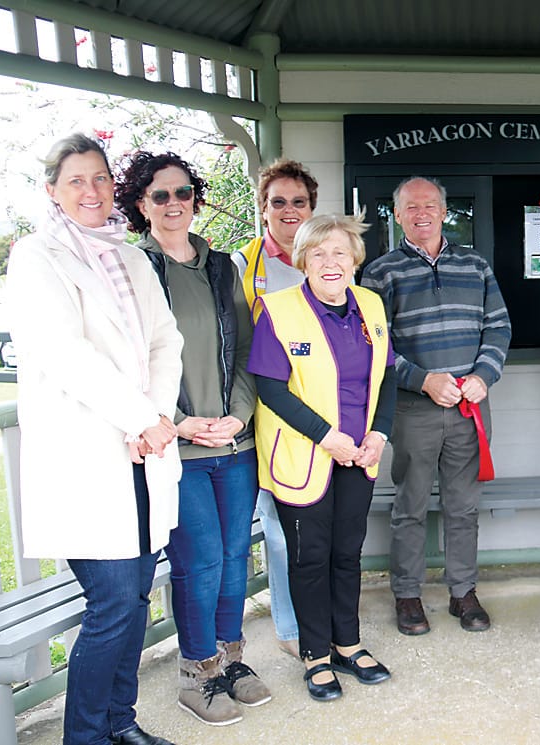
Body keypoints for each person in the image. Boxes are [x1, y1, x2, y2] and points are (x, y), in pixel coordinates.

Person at [7, 133, 183, 745]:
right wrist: (140, 418)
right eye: (77, 180)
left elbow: (165, 341)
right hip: (86, 453)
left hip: (143, 454)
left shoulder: (131, 258)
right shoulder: (37, 257)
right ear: (52, 190)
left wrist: (154, 419)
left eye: (101, 178)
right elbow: (65, 353)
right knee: (113, 602)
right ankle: (85, 736)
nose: (92, 190)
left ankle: (119, 722)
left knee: (135, 599)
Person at [116, 151, 268, 726]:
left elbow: (249, 349)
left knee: (233, 557)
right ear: (141, 204)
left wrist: (238, 415)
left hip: (233, 444)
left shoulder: (222, 267)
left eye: (183, 192)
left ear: (195, 199)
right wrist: (177, 420)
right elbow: (130, 359)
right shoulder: (132, 270)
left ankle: (230, 660)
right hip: (175, 447)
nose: (173, 203)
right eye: (160, 195)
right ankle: (196, 672)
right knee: (200, 562)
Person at [249, 213, 396, 702]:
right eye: (318, 253)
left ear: (354, 259)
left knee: (347, 552)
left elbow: (387, 375)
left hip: (359, 452)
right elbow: (271, 389)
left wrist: (380, 432)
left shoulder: (370, 305)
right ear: (303, 260)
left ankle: (348, 644)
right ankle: (315, 655)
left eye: (339, 252)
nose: (330, 262)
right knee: (309, 557)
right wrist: (326, 436)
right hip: (304, 453)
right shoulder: (278, 310)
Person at [361, 176, 512, 635]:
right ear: (397, 214)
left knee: (463, 506)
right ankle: (407, 594)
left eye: (430, 205)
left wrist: (483, 376)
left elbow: (498, 327)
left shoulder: (475, 265)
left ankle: (463, 592)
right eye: (411, 206)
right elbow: (374, 344)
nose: (421, 213)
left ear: (444, 212)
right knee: (409, 505)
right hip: (414, 409)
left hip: (469, 407)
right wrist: (422, 380)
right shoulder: (380, 273)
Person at [231, 158, 318, 658]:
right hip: (267, 415)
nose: (289, 211)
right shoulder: (242, 267)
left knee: (320, 529)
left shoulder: (325, 260)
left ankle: (324, 618)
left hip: (325, 417)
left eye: (298, 202)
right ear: (263, 209)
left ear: (311, 208)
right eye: (278, 202)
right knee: (280, 529)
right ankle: (290, 628)